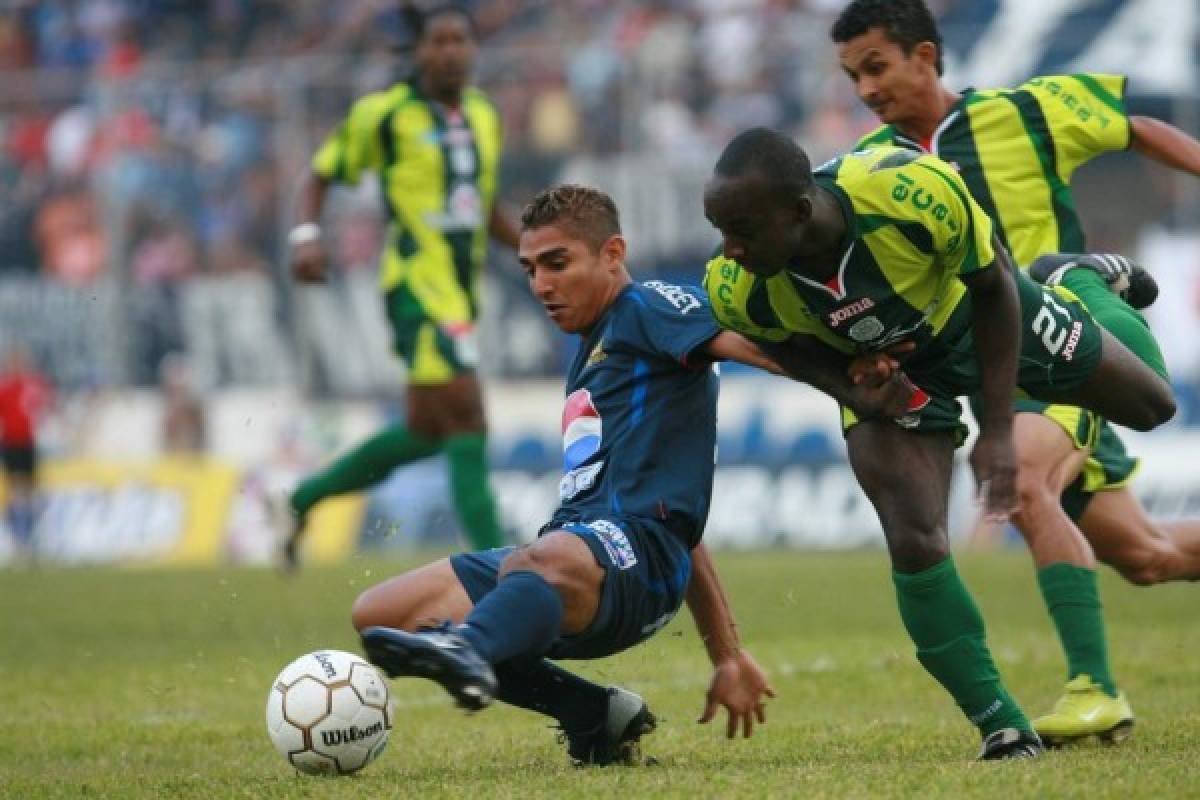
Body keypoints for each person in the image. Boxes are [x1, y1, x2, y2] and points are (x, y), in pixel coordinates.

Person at [701, 128, 1175, 759]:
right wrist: (852, 388)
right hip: (895, 375)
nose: (728, 248)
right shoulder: (735, 286)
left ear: (798, 212)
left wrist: (1001, 431)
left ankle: (1082, 281)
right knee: (913, 535)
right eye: (719, 230)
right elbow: (778, 343)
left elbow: (993, 283)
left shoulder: (906, 192)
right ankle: (1001, 726)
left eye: (742, 229)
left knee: (1152, 405)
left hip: (979, 317)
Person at [829, 0, 1200, 745]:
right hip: (988, 373)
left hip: (1064, 343)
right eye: (852, 76)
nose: (866, 89)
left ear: (926, 57)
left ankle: (1096, 690)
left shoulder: (1026, 109)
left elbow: (1135, 126)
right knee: (1149, 557)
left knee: (1024, 482)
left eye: (877, 67)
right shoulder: (870, 170)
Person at [354, 184, 778, 765]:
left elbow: (753, 347)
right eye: (530, 270)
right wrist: (726, 656)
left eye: (557, 264)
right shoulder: (595, 350)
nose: (541, 286)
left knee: (537, 562)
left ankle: (469, 648)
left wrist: (854, 376)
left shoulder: (647, 308)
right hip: (582, 553)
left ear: (612, 254)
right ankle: (593, 715)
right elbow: (685, 519)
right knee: (382, 613)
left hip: (634, 566)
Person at [279, 4, 520, 567]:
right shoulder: (384, 115)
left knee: (427, 430)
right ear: (416, 51)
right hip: (415, 287)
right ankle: (503, 572)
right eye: (438, 41)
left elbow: (481, 208)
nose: (450, 51)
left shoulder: (484, 115)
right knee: (468, 416)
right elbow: (319, 174)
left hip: (460, 292)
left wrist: (536, 252)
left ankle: (300, 498)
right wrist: (306, 236)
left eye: (460, 39)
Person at [0, 344, 53, 562]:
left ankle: (30, 539)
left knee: (31, 492)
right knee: (16, 491)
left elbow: (43, 409)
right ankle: (17, 538)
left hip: (28, 443)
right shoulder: (5, 388)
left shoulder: (32, 385)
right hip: (11, 442)